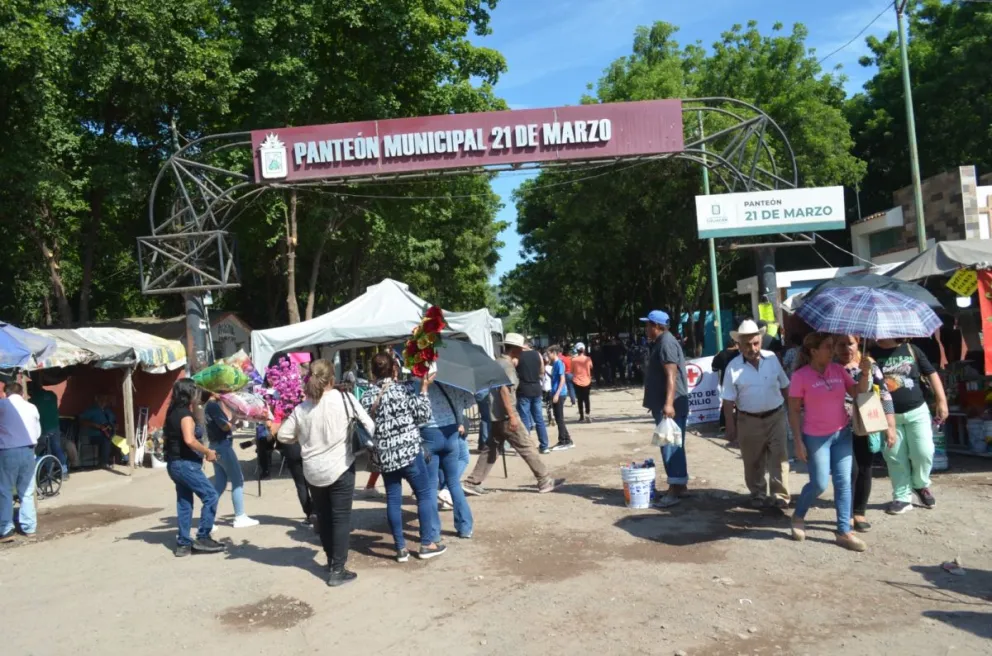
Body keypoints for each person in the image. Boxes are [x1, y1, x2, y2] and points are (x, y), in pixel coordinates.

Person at [278, 359, 373, 586]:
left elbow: (283, 435)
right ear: (332, 379)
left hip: (312, 471)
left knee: (325, 517)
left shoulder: (302, 408)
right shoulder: (345, 398)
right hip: (341, 466)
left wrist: (300, 438)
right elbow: (369, 425)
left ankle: (332, 562)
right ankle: (337, 570)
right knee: (340, 518)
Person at [788, 332, 871, 552]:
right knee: (820, 484)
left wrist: (864, 373)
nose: (833, 350)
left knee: (844, 482)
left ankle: (844, 531)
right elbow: (794, 411)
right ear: (814, 351)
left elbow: (858, 393)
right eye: (827, 346)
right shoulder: (801, 376)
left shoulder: (838, 370)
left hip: (842, 434)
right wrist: (798, 441)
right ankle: (798, 515)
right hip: (816, 438)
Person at [360, 353, 446, 562]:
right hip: (409, 453)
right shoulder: (404, 390)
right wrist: (424, 389)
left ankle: (400, 548)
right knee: (424, 494)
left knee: (393, 499)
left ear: (373, 372)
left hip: (385, 456)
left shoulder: (365, 397)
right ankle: (427, 544)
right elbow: (423, 416)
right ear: (394, 370)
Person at [463, 333, 564, 495]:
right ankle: (544, 480)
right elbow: (504, 390)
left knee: (491, 449)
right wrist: (512, 416)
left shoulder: (499, 362)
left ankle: (472, 482)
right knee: (527, 446)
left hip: (495, 414)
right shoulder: (507, 366)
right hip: (506, 414)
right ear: (516, 349)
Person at [869, 337, 949, 514]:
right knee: (895, 456)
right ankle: (902, 496)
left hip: (917, 411)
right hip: (887, 416)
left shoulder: (912, 349)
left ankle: (920, 485)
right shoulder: (870, 354)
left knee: (924, 451)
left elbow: (931, 373)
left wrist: (942, 400)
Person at [720, 321, 791, 509]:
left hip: (776, 417)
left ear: (760, 341)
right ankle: (758, 493)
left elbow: (785, 385)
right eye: (748, 344)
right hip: (748, 420)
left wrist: (793, 414)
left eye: (756, 343)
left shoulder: (773, 359)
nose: (753, 348)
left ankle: (779, 495)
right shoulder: (732, 368)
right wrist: (730, 426)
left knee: (779, 458)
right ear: (739, 345)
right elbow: (728, 400)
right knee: (753, 460)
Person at [835, 335, 896, 532]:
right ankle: (846, 513)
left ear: (857, 343)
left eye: (850, 344)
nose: (846, 349)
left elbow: (885, 394)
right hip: (838, 427)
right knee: (848, 471)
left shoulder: (869, 365)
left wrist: (890, 425)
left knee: (864, 468)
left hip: (866, 422)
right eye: (841, 344)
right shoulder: (830, 367)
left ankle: (859, 512)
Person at [163, 378, 225, 557]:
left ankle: (183, 543)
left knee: (184, 502)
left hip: (175, 464)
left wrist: (211, 396)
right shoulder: (185, 415)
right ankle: (203, 537)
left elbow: (200, 404)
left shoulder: (173, 411)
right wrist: (207, 451)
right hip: (185, 465)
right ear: (188, 393)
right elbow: (189, 440)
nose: (197, 394)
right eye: (195, 391)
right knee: (210, 495)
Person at [641, 310, 690, 508]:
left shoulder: (666, 343)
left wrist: (668, 404)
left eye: (648, 325)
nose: (646, 329)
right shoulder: (662, 342)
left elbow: (671, 375)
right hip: (667, 404)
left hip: (672, 405)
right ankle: (679, 484)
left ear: (656, 326)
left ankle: (675, 489)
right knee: (672, 444)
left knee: (670, 446)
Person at [420, 381, 475, 539]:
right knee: (453, 482)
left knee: (430, 486)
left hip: (429, 434)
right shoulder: (455, 382)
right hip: (451, 432)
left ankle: (432, 533)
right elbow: (469, 402)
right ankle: (465, 526)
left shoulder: (420, 385)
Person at [203, 393, 258, 529]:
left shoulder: (209, 406)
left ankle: (208, 518)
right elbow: (224, 427)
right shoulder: (213, 406)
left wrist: (235, 421)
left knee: (220, 483)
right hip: (223, 446)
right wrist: (233, 420)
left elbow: (224, 427)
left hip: (216, 445)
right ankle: (240, 516)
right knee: (237, 480)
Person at [0, 383, 41, 541]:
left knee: (5, 491)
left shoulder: (3, 405)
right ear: (22, 393)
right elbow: (37, 432)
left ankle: (6, 530)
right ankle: (30, 528)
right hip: (28, 451)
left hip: (8, 451)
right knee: (27, 490)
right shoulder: (32, 407)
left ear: (5, 393)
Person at [515, 341, 550, 452]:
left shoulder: (517, 356)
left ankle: (527, 446)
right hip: (536, 388)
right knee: (539, 418)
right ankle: (544, 446)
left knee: (525, 419)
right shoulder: (537, 354)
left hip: (524, 389)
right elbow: (542, 371)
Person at [29, 380, 67, 476]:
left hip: (43, 428)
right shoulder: (52, 394)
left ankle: (48, 472)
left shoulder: (33, 400)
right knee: (57, 448)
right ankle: (64, 469)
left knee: (45, 450)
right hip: (55, 426)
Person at [79, 394, 123, 468]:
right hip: (94, 435)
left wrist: (115, 425)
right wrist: (97, 425)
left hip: (109, 434)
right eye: (102, 399)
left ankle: (123, 460)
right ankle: (103, 463)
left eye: (106, 400)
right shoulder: (91, 410)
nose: (104, 401)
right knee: (106, 440)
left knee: (122, 440)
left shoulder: (108, 411)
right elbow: (81, 420)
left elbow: (114, 421)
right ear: (97, 399)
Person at [547, 346, 573, 451]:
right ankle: (566, 439)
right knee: (558, 417)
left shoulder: (559, 363)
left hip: (560, 393)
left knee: (559, 418)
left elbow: (562, 379)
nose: (547, 355)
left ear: (554, 353)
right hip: (555, 392)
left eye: (548, 353)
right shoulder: (554, 364)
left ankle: (564, 440)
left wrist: (557, 393)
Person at [571, 342, 593, 423]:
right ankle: (588, 414)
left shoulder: (573, 360)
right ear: (583, 350)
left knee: (579, 399)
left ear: (576, 350)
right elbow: (591, 367)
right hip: (587, 381)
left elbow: (572, 371)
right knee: (587, 399)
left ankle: (581, 416)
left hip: (577, 381)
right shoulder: (588, 359)